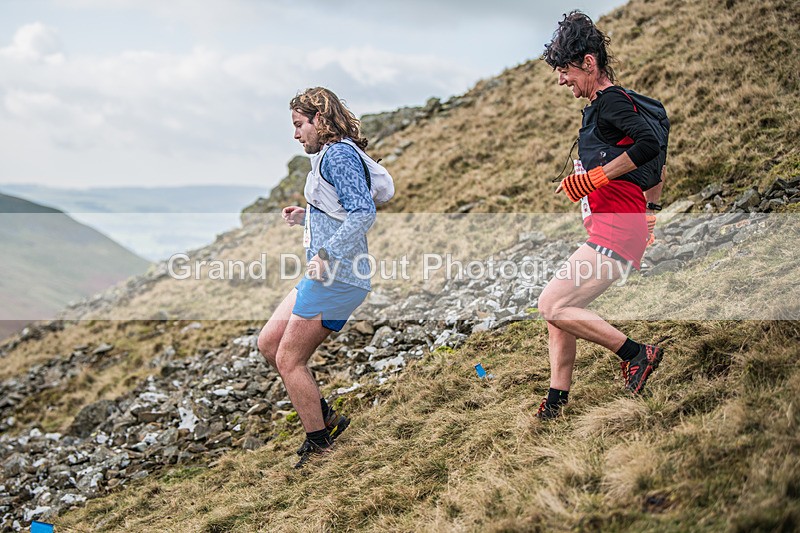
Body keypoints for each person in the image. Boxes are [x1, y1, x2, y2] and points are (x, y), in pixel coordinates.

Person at [535, 11, 665, 419]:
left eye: (565, 70)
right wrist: (652, 210)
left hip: (617, 224)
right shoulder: (601, 106)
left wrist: (595, 178)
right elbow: (657, 159)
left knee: (551, 304)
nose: (561, 80)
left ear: (588, 63)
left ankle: (637, 354)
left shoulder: (610, 100)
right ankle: (556, 403)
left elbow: (651, 143)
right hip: (618, 222)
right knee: (561, 312)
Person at [257, 87, 376, 466]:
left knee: (290, 359)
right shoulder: (330, 154)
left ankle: (319, 443)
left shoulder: (338, 154)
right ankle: (324, 417)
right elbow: (341, 212)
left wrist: (326, 253)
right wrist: (307, 218)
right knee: (269, 343)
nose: (295, 135)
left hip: (338, 276)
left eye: (298, 125)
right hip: (325, 274)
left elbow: (363, 213)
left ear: (319, 120)